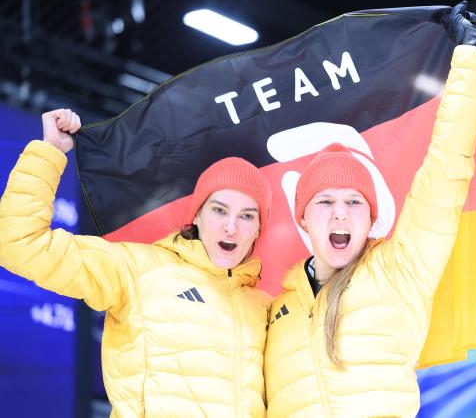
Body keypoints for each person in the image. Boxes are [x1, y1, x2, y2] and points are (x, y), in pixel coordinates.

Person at [264, 2, 476, 417]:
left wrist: (472, 59)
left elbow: (446, 166)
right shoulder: (274, 308)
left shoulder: (400, 269)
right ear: (302, 219)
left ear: (371, 218)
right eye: (324, 202)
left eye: (354, 202)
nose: (341, 213)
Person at [0, 109, 272, 417]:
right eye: (219, 210)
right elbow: (21, 245)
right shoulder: (138, 269)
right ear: (196, 214)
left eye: (247, 216)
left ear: (260, 228)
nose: (231, 227)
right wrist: (49, 152)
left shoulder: (267, 309)